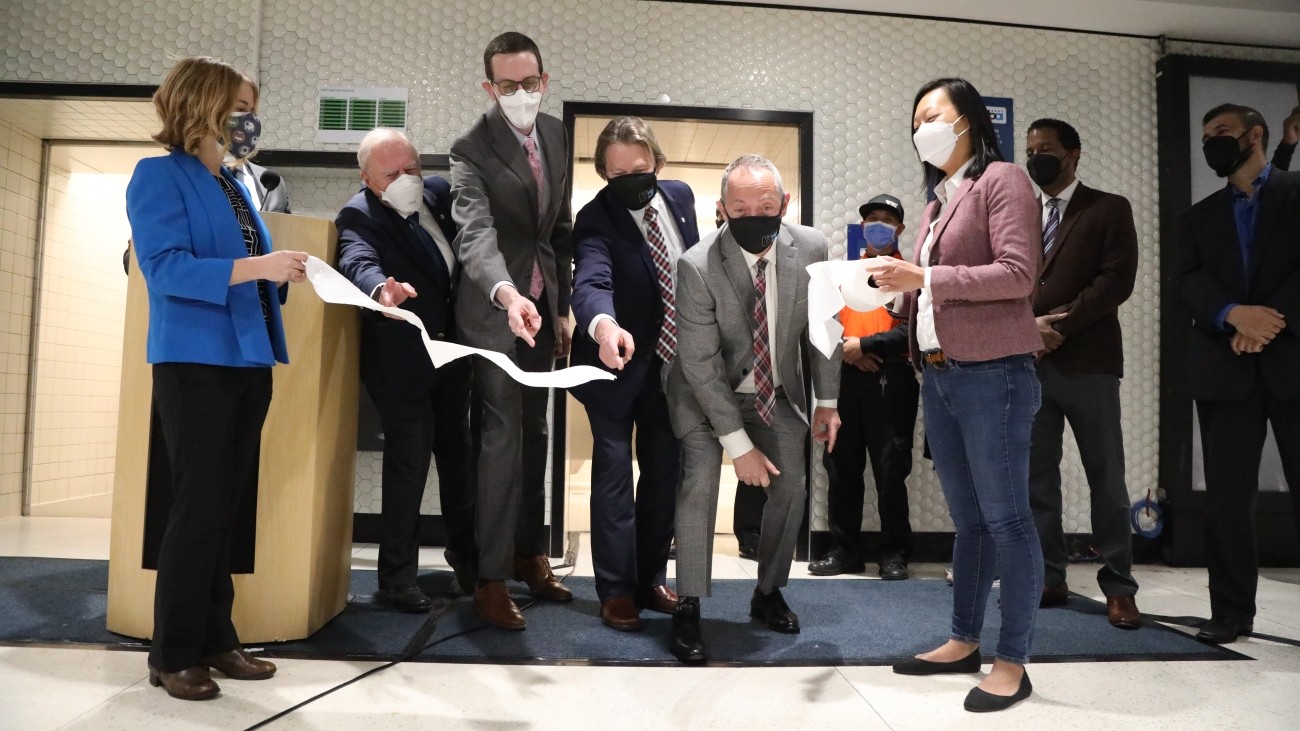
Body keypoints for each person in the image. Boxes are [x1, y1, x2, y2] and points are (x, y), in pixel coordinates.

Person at [125, 56, 307, 701]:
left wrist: (278, 273)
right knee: (196, 508)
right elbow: (167, 270)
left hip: (248, 358)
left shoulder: (235, 184)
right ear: (203, 105)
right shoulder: (158, 176)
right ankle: (172, 651)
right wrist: (258, 268)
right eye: (240, 105)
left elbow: (248, 269)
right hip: (194, 361)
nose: (249, 119)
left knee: (224, 508)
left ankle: (215, 636)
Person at [872, 78, 1043, 713]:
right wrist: (897, 295)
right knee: (968, 521)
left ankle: (1013, 659)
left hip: (994, 372)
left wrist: (926, 276)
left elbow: (1019, 274)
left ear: (968, 120)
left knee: (1007, 519)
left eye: (933, 115)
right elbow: (937, 286)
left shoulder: (1003, 179)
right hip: (940, 374)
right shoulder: (939, 200)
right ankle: (964, 640)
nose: (923, 129)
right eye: (915, 120)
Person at [666, 154, 840, 664]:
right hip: (705, 394)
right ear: (721, 210)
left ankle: (767, 592)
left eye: (766, 205)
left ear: (784, 205)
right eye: (740, 207)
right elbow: (698, 364)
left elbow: (823, 329)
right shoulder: (696, 264)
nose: (754, 214)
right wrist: (737, 446)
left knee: (792, 484)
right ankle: (690, 604)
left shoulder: (811, 248)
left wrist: (826, 400)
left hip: (776, 390)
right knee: (699, 484)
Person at [450, 31, 573, 630]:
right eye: (508, 86)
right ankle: (490, 579)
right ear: (489, 87)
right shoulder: (470, 148)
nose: (521, 94)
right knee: (500, 437)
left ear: (544, 82)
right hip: (495, 311)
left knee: (536, 432)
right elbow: (473, 232)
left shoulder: (555, 134)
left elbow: (560, 230)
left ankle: (530, 554)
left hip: (545, 311)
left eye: (530, 83)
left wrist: (565, 307)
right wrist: (506, 293)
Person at [335, 128, 478, 611]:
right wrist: (381, 292)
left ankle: (472, 566)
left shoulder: (436, 194)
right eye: (391, 174)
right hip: (400, 361)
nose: (405, 180)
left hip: (452, 355)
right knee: (410, 461)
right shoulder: (358, 213)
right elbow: (356, 258)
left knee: (460, 462)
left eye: (411, 168)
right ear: (368, 179)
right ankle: (396, 580)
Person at [569, 116, 699, 631]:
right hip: (612, 363)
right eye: (615, 173)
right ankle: (616, 590)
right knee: (615, 478)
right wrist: (603, 325)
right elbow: (591, 280)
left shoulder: (681, 197)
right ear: (603, 172)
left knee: (665, 477)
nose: (628, 181)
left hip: (671, 368)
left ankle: (649, 579)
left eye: (638, 170)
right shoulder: (594, 217)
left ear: (658, 165)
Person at [1179, 103, 1300, 644]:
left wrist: (1268, 319)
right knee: (1227, 499)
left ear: (1255, 135)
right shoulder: (1198, 216)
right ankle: (1230, 613)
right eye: (1206, 137)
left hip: (1292, 357)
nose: (1212, 144)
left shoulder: (1296, 194)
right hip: (1224, 367)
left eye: (1222, 133)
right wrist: (1232, 314)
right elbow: (1189, 281)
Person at [1023, 118, 1142, 629]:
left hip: (1089, 364)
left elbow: (1116, 280)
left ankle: (1119, 586)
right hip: (1029, 363)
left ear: (1073, 153)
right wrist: (1028, 329)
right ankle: (1050, 576)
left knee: (1106, 479)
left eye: (1046, 149)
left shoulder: (1108, 208)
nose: (1036, 158)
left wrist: (1060, 327)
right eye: (1030, 150)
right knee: (1037, 481)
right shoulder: (1021, 214)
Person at [810, 194, 918, 580]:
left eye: (887, 220)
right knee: (841, 468)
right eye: (871, 219)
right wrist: (849, 352)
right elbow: (822, 323)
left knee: (891, 471)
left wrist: (867, 346)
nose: (878, 225)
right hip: (843, 380)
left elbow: (916, 331)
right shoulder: (842, 273)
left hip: (893, 382)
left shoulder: (911, 276)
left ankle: (894, 554)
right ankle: (844, 552)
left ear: (900, 229)